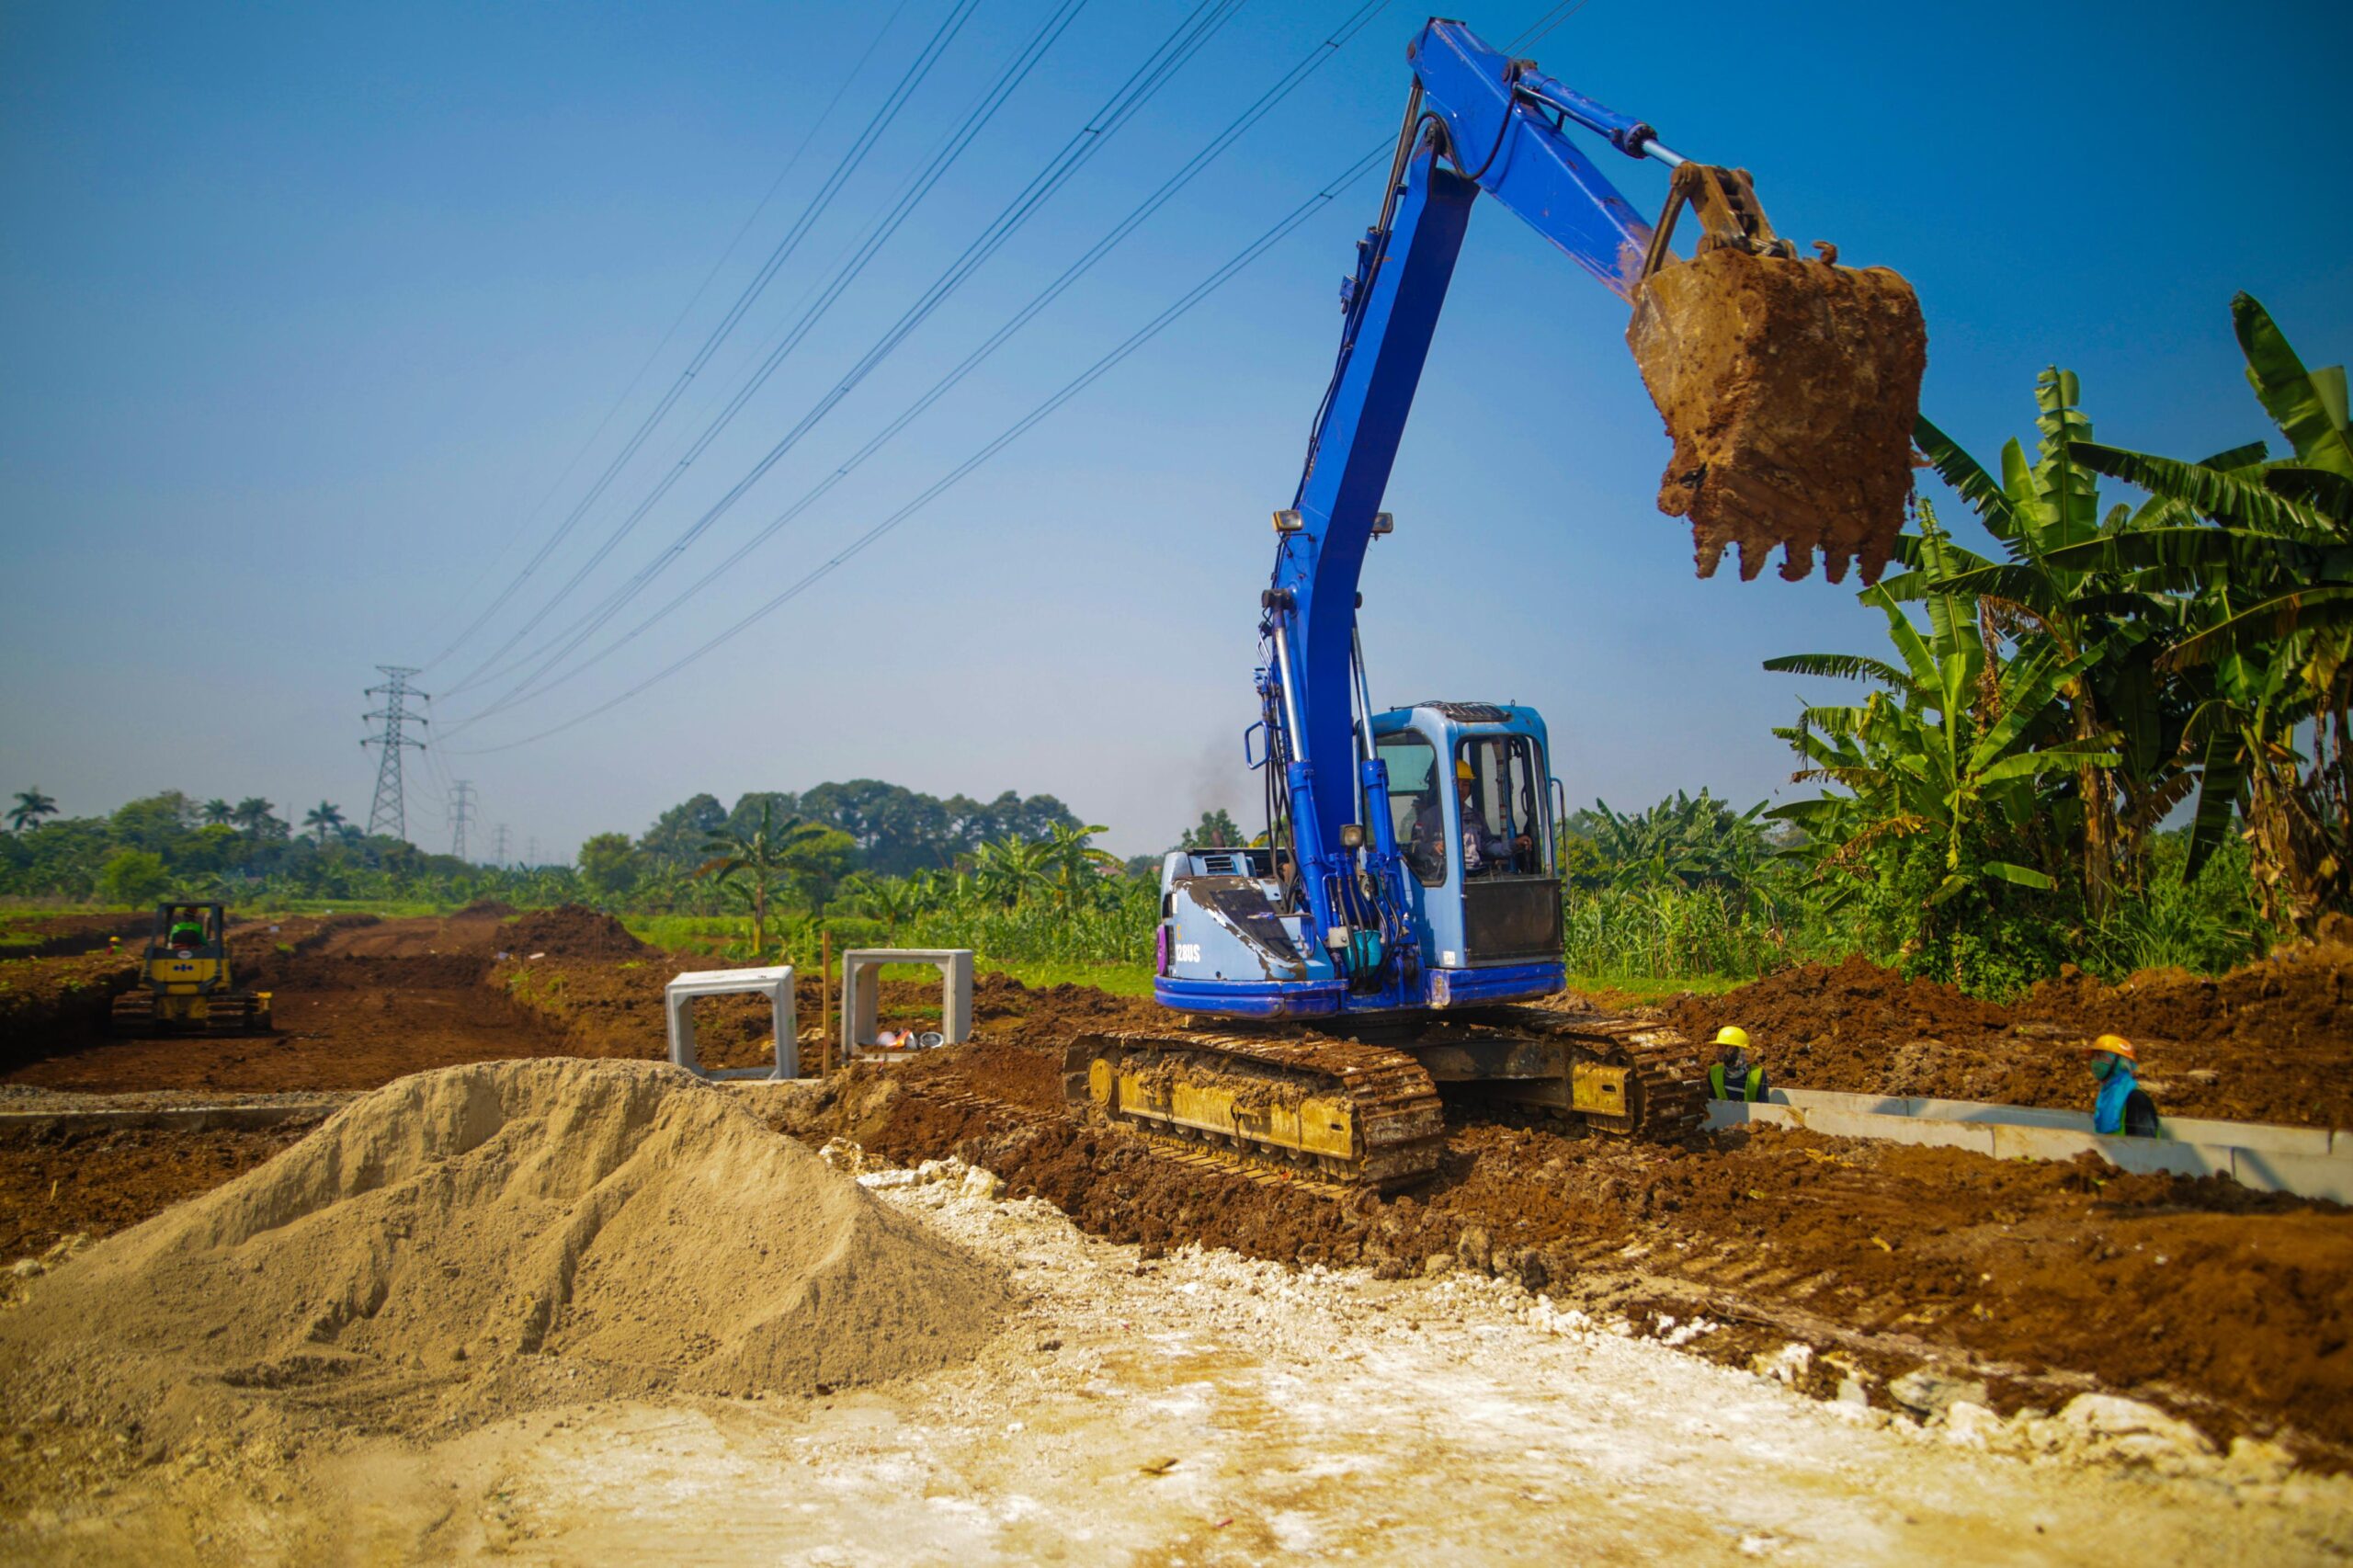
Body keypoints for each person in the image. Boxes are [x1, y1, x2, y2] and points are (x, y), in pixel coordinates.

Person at [1415, 760, 1532, 878]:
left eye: (1465, 784)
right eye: (1457, 783)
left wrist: (1515, 844)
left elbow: (1489, 846)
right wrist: (1433, 847)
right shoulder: (1429, 817)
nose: (1461, 789)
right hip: (1442, 876)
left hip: (1475, 873)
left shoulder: (1476, 817)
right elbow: (1416, 848)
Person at [2084, 1033, 2160, 1138]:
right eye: (2094, 1057)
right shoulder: (2105, 1096)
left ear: (2120, 1062)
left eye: (2101, 1056)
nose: (2095, 1062)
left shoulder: (2137, 1098)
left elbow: (2145, 1146)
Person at [1707, 1025, 1768, 1102]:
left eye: (1723, 1047)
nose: (1718, 1051)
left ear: (1737, 1050)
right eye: (1718, 1046)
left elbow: (1762, 1108)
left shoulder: (1757, 1074)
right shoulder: (1714, 1073)